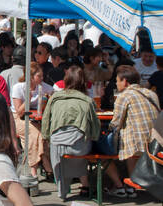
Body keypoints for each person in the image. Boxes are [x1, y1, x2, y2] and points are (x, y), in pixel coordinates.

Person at [41, 65, 99, 199]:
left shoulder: (55, 98)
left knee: (64, 145)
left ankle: (63, 190)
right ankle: (86, 185)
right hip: (79, 148)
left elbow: (45, 120)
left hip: (56, 145)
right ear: (83, 82)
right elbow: (95, 128)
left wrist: (46, 137)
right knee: (84, 141)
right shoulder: (88, 101)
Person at [105, 65, 160, 197]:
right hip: (155, 142)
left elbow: (116, 123)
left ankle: (129, 186)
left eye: (117, 81)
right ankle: (130, 184)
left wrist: (105, 130)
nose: (117, 84)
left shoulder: (124, 96)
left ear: (124, 81)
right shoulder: (152, 94)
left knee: (111, 148)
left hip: (137, 144)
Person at [11, 65, 53, 178]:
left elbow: (54, 94)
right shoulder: (19, 87)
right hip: (18, 118)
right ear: (31, 77)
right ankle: (37, 169)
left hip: (35, 118)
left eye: (42, 75)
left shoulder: (44, 87)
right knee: (36, 135)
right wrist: (28, 99)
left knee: (43, 135)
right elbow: (19, 112)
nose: (42, 78)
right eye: (39, 76)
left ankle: (44, 164)